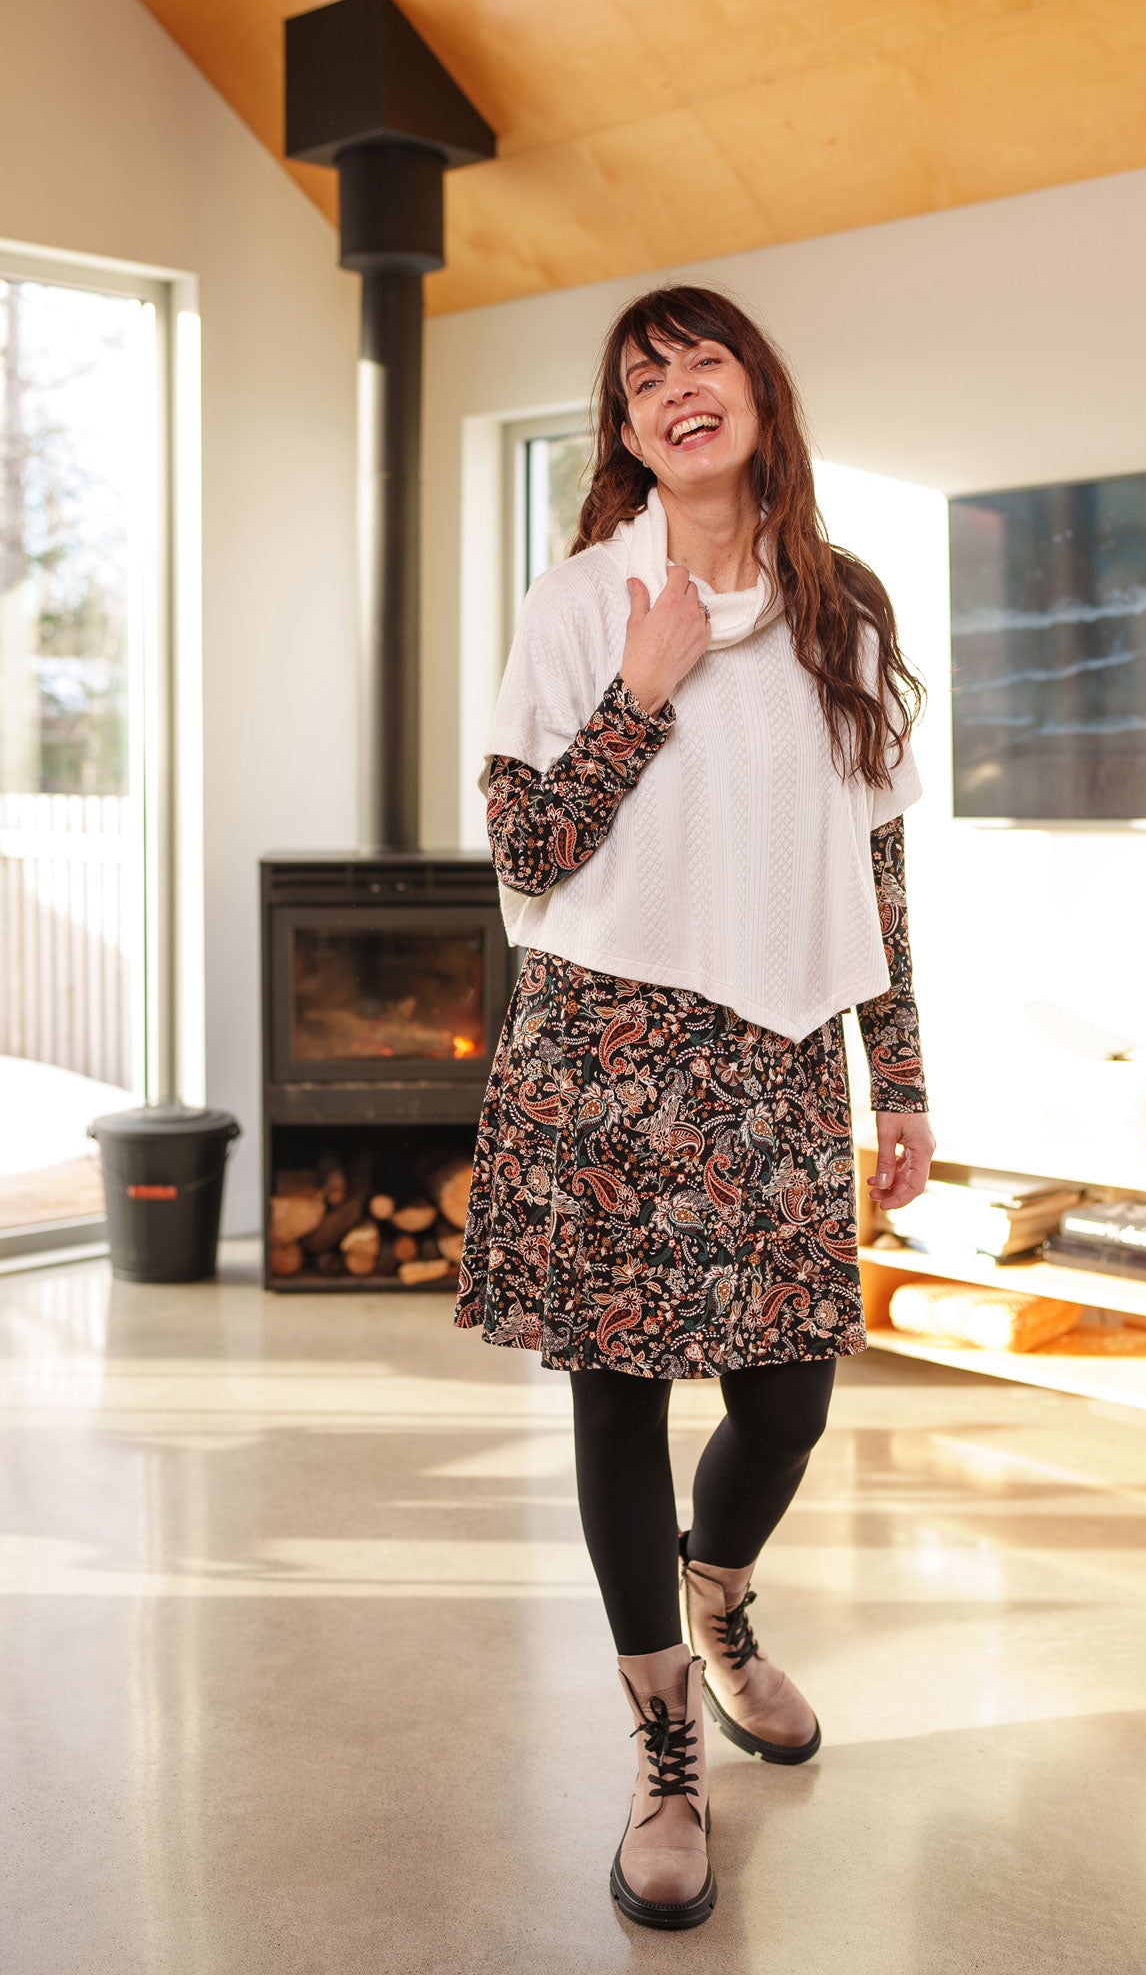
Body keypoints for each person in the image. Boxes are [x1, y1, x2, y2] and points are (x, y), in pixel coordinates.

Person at [456, 282, 935, 1931]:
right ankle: (667, 1742)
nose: (672, 389)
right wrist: (640, 688)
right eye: (638, 376)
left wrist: (903, 1080)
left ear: (755, 390)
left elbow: (873, 863)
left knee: (788, 1399)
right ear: (624, 431)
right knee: (618, 1404)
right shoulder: (585, 599)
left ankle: (716, 1603)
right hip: (603, 1054)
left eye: (699, 358)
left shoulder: (841, 610)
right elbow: (525, 851)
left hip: (774, 1059)